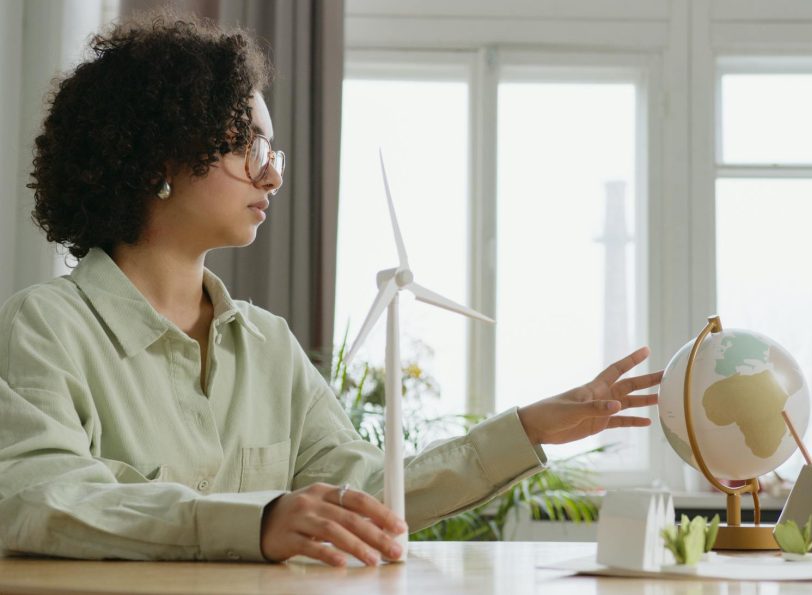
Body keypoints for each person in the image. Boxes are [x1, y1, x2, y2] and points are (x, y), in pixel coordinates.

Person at [0, 12, 661, 567]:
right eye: (248, 147)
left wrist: (528, 428)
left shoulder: (268, 345)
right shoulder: (45, 328)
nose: (273, 176)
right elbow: (40, 498)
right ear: (158, 159)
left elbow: (371, 491)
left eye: (274, 152)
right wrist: (255, 522)